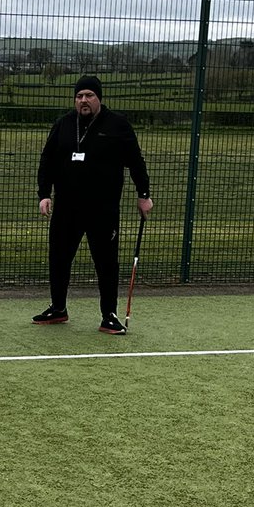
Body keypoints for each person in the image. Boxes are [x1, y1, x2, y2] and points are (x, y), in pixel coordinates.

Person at [35, 75, 153, 335]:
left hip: (103, 209)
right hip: (67, 207)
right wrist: (44, 194)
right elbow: (48, 161)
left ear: (99, 98)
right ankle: (58, 308)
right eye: (79, 96)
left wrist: (143, 194)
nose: (83, 101)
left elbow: (136, 162)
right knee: (59, 258)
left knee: (106, 263)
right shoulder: (64, 124)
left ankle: (109, 315)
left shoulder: (118, 125)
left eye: (89, 95)